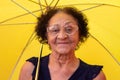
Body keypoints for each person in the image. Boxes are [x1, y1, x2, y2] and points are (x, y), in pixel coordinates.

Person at [19, 7, 106, 80]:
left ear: (80, 33)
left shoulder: (95, 76)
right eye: (55, 30)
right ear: (46, 35)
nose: (62, 36)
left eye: (69, 29)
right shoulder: (31, 69)